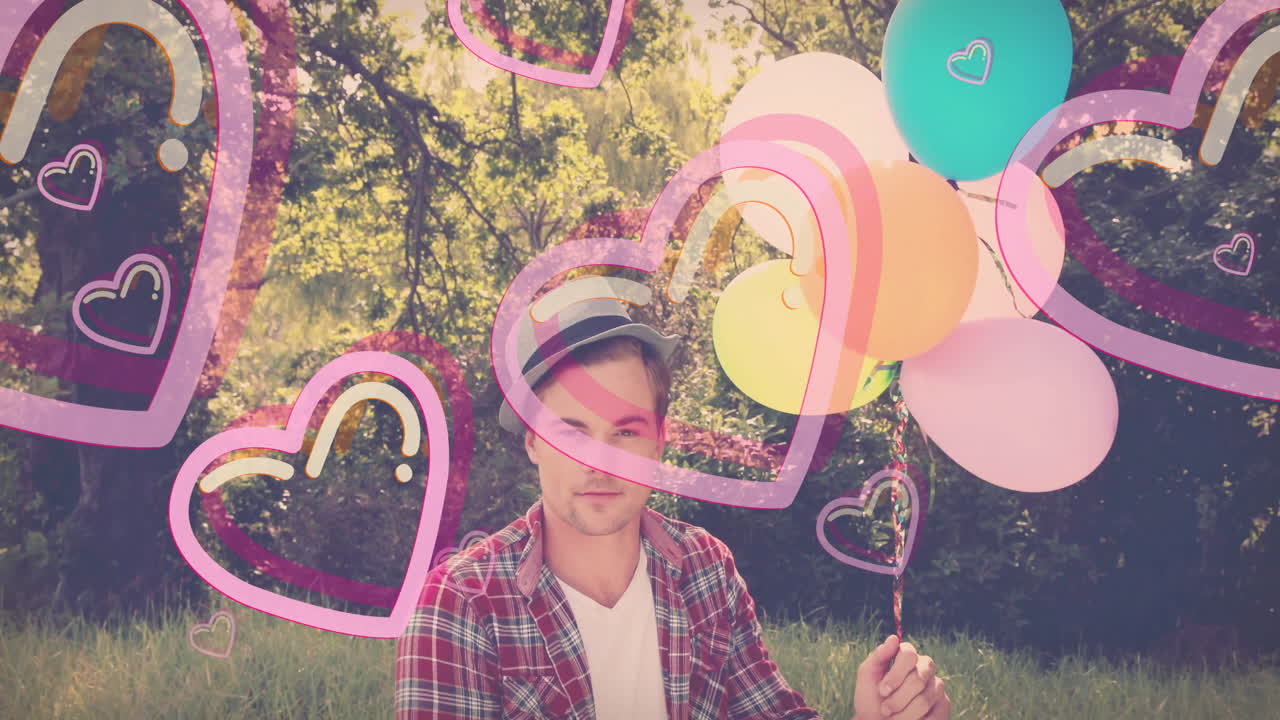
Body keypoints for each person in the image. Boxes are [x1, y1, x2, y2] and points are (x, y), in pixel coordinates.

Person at [395, 296, 951, 720]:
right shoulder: (462, 603)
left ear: (659, 441)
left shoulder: (705, 568)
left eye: (626, 431)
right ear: (533, 442)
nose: (599, 461)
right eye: (572, 432)